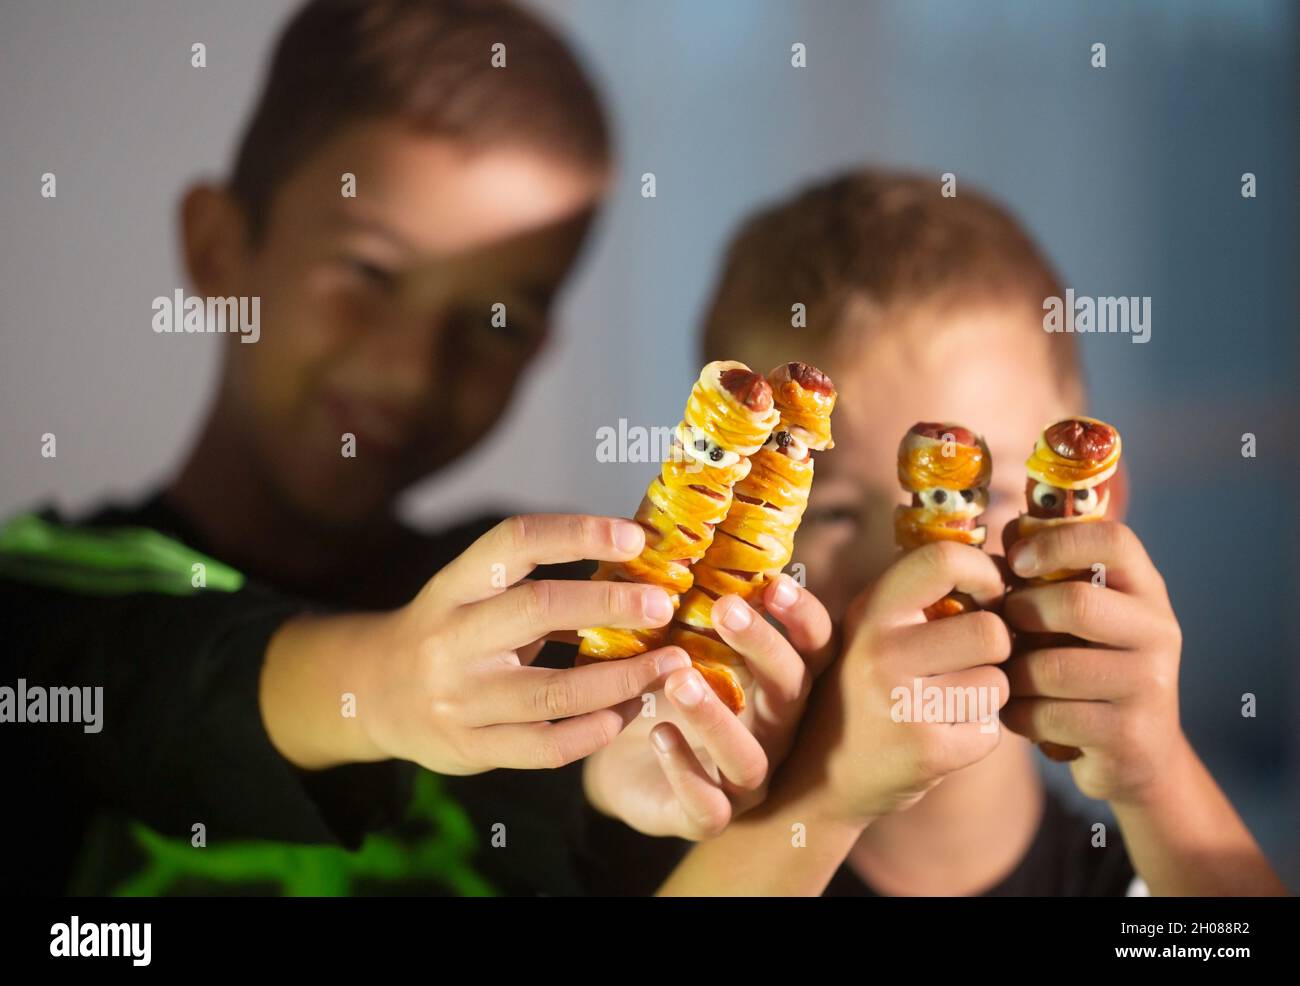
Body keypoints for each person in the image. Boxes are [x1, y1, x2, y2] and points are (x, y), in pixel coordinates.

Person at [0, 0, 824, 896]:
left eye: (496, 323)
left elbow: (602, 796)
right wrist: (386, 689)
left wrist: (642, 787)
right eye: (369, 273)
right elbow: (152, 689)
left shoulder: (545, 616)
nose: (411, 369)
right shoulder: (41, 601)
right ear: (218, 246)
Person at [641, 170, 1288, 896]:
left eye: (981, 496)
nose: (915, 568)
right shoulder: (661, 838)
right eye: (834, 511)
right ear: (732, 520)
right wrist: (827, 801)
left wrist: (1155, 776)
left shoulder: (1153, 882)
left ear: (1094, 508)